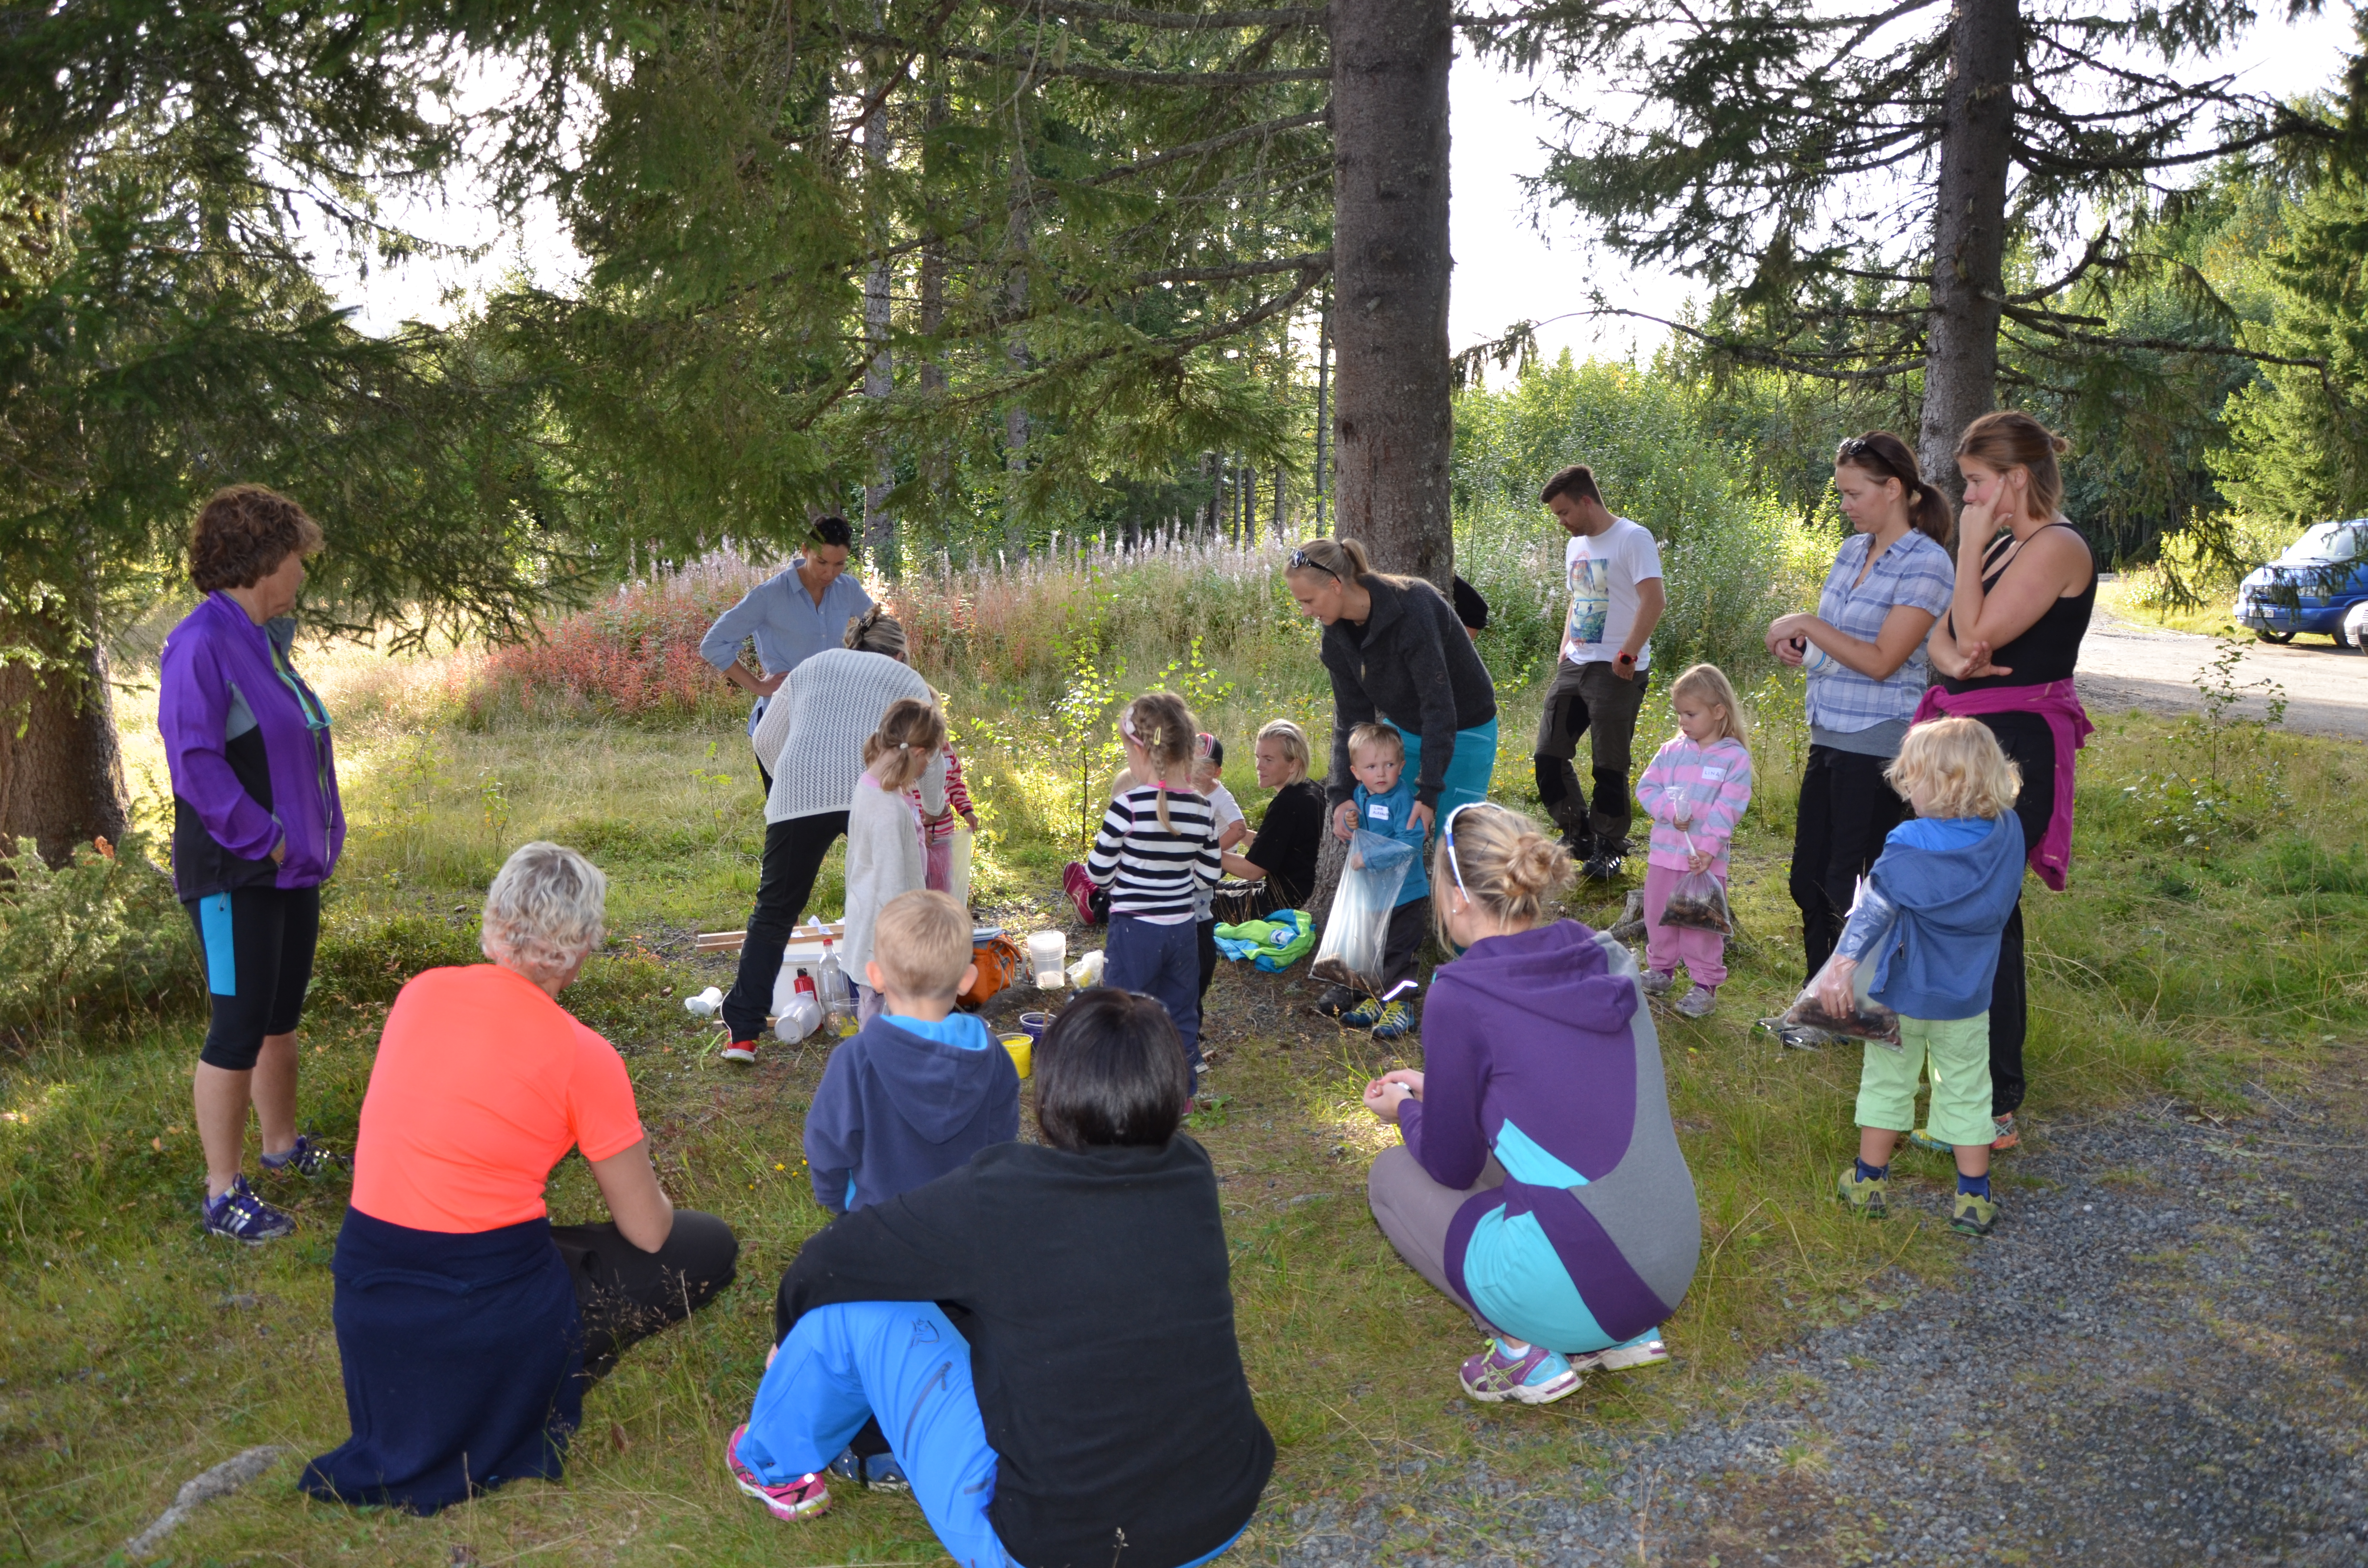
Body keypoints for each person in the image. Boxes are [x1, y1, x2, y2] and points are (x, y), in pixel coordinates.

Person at [726, 988, 1274, 1567]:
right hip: (1219, 1513)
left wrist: (787, 1337)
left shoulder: (1003, 1195)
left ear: (1051, 1092)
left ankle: (766, 1463)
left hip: (1052, 1551)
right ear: (1172, 1087)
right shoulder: (1191, 1170)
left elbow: (831, 1262)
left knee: (845, 1313)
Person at [302, 843, 739, 1513]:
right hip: (479, 1311)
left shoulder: (420, 994)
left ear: (496, 919)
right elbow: (649, 1233)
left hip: (370, 1302)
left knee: (532, 1232)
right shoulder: (584, 1056)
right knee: (705, 1245)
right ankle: (535, 1371)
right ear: (584, 944)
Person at [1360, 804, 1699, 1406]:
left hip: (1588, 1277)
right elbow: (1553, 1099)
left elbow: (1450, 1165)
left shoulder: (1460, 994)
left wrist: (1404, 1113)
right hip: (1666, 1261)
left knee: (1388, 1176)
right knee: (1536, 1169)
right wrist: (1435, 1087)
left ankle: (1521, 1349)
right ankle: (1614, 1338)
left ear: (1456, 898)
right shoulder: (1603, 959)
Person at [159, 484, 346, 1244]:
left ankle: (279, 1149)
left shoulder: (264, 640)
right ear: (266, 560)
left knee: (279, 1019)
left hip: (287, 869)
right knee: (237, 1028)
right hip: (236, 873)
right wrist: (266, 840)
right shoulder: (200, 641)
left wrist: (302, 845)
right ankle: (220, 1191)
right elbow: (196, 764)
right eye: (298, 558)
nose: (304, 572)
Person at [802, 887, 1020, 1491]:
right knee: (967, 1333)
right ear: (966, 980)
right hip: (966, 1242)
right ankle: (967, 1430)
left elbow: (827, 1148)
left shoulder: (856, 1061)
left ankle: (873, 1451)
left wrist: (837, 1207)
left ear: (873, 976)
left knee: (871, 1338)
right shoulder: (997, 1061)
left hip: (880, 1238)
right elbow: (1003, 1157)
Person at [1921, 412, 2097, 1154]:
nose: (1969, 499)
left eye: (1976, 484)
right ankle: (1974, 1088)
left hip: (2014, 746)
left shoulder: (2056, 547)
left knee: (1985, 914)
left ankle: (1994, 1102)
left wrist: (1966, 553)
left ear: (2015, 480)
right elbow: (1943, 640)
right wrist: (1957, 644)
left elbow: (1969, 638)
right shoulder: (2007, 549)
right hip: (1975, 739)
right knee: (1970, 911)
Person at [1761, 432, 1957, 1048]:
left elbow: (1881, 660)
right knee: (1807, 879)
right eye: (1841, 491)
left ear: (1893, 488)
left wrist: (1807, 624)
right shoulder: (1851, 552)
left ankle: (1837, 1014)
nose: (1843, 503)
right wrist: (1800, 643)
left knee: (1846, 882)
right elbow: (1840, 643)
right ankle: (1817, 1002)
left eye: (1853, 492)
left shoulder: (1925, 561)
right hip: (1829, 731)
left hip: (1877, 743)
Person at [1826, 719, 2028, 1238]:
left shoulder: (1909, 839)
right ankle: (1972, 1199)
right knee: (1966, 1088)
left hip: (1901, 990)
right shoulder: (2008, 831)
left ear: (1944, 783)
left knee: (1887, 1081)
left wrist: (1841, 965)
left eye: (1913, 778)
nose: (1906, 789)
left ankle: (1869, 1183)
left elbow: (1874, 909)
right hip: (1967, 995)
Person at [720, 607, 933, 1062]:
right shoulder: (907, 681)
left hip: (800, 793)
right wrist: (933, 808)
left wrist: (795, 783)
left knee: (775, 911)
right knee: (887, 899)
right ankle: (904, 1011)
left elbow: (764, 738)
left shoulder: (812, 666)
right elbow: (930, 751)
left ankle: (742, 1033)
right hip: (875, 794)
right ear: (899, 654)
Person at [1285, 537, 1499, 852]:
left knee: (1456, 846)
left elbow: (1438, 706)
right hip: (1406, 731)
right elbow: (1352, 719)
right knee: (1388, 835)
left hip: (1465, 729)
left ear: (1335, 585)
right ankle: (1407, 903)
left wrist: (1428, 794)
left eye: (1308, 601)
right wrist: (1342, 795)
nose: (1305, 612)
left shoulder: (1414, 607)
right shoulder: (1336, 636)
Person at [1532, 465, 1666, 882]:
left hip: (1617, 668)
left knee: (1609, 764)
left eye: (1564, 512)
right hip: (1576, 662)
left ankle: (1610, 846)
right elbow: (1580, 597)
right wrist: (1564, 647)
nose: (1561, 521)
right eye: (1556, 515)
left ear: (1586, 501)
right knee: (1548, 754)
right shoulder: (1577, 546)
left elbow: (1654, 599)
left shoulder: (1633, 538)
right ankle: (1577, 834)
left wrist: (1627, 654)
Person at [1087, 693, 1223, 1092]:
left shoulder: (1126, 806)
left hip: (1134, 930)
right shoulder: (1202, 809)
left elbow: (1097, 872)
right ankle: (1180, 1093)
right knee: (1180, 1009)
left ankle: (1124, 1090)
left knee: (1125, 1008)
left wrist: (1122, 885)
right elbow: (1209, 875)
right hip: (1181, 928)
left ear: (1139, 750)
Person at [700, 517, 875, 792]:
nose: (830, 573)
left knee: (838, 812)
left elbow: (877, 630)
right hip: (783, 724)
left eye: (839, 564)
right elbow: (714, 644)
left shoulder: (848, 589)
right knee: (788, 820)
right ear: (805, 550)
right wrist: (758, 686)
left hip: (835, 721)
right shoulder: (770, 595)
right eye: (822, 562)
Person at [1632, 665, 1754, 1020]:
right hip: (1664, 856)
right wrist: (1670, 812)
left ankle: (1705, 985)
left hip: (1704, 861)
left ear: (1719, 712)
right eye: (1679, 714)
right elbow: (1646, 788)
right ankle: (1661, 969)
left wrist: (1708, 849)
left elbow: (1729, 807)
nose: (1683, 722)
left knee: (1701, 923)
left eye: (1691, 713)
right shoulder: (1671, 751)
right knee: (1658, 915)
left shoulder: (1734, 758)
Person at [839, 697, 950, 1027]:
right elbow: (890, 885)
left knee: (879, 1013)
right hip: (887, 939)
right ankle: (882, 1067)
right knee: (886, 1019)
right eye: (929, 758)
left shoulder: (870, 785)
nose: (928, 766)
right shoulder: (887, 809)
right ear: (918, 753)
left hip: (871, 921)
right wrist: (907, 941)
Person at [1319, 723, 1429, 1041]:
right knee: (1373, 950)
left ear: (1402, 766)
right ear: (1356, 771)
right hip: (1374, 894)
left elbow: (1407, 844)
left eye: (1389, 765)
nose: (1381, 773)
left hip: (1405, 895)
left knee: (1399, 951)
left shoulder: (1403, 799)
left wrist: (1368, 860)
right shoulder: (1361, 795)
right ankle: (1375, 998)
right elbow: (1367, 833)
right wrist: (1355, 823)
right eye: (1371, 767)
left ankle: (1402, 1007)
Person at [1210, 719, 1328, 923]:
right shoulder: (1311, 790)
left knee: (1200, 900)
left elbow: (1253, 870)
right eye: (1258, 757)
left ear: (1293, 764)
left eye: (1268, 760)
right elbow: (1274, 846)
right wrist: (1242, 833)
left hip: (1283, 906)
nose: (1258, 766)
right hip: (1297, 894)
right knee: (1216, 889)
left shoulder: (1288, 804)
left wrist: (1202, 851)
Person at [1192, 734, 1250, 1001]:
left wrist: (1212, 850)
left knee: (1192, 889)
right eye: (1192, 763)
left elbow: (1239, 828)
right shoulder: (1186, 788)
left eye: (1205, 767)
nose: (1196, 771)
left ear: (1217, 771)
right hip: (1197, 854)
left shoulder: (1220, 796)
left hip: (1217, 858)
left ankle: (1198, 929)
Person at [919, 740, 978, 897]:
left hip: (944, 835)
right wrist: (917, 829)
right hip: (916, 840)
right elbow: (903, 797)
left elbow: (954, 783)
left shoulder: (946, 750)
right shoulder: (912, 754)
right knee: (917, 888)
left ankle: (939, 919)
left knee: (942, 884)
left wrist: (967, 810)